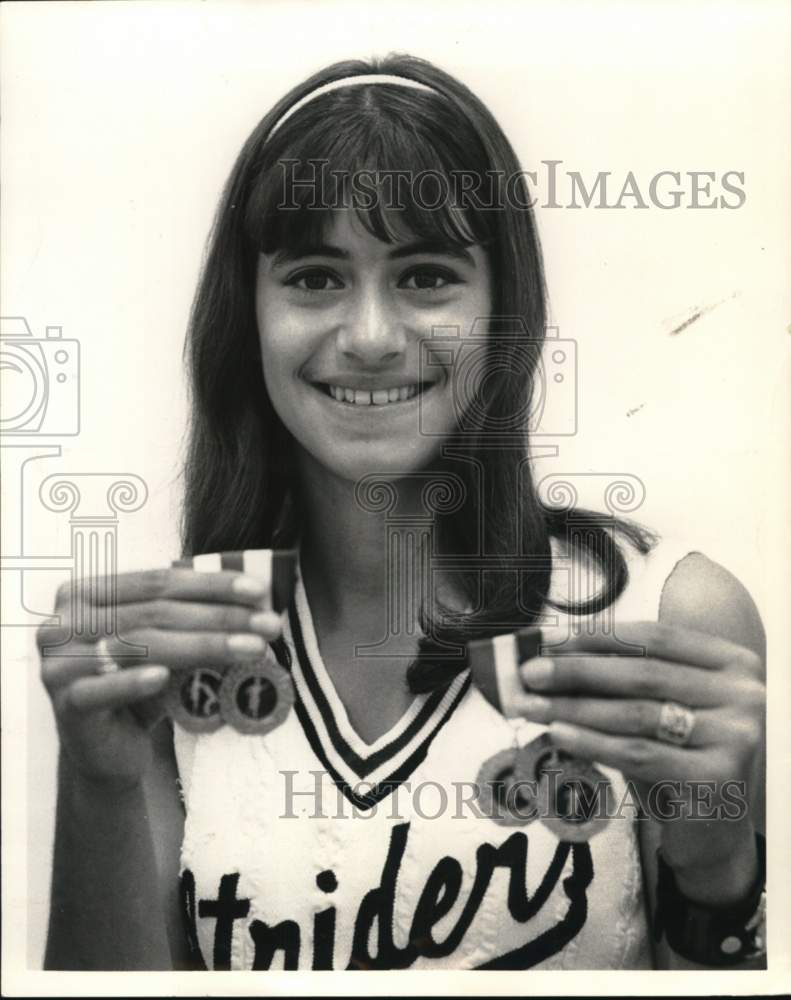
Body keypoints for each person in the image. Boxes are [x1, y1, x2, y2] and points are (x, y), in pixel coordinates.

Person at [38, 54, 767, 972]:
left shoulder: (660, 616)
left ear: (508, 309)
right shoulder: (170, 655)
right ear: (246, 315)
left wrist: (720, 871)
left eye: (425, 276)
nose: (372, 338)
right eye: (313, 277)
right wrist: (96, 780)